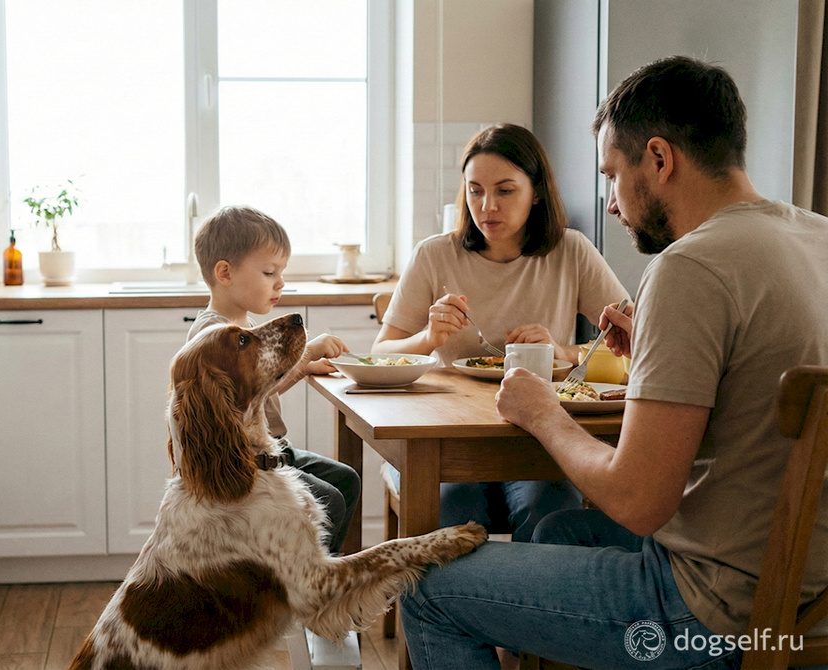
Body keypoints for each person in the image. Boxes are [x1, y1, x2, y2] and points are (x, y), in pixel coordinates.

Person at [399, 55, 828, 669]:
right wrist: (655, 339)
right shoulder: (818, 237)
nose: (610, 203)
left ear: (659, 159)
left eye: (611, 176)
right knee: (557, 531)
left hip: (711, 618)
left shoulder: (690, 267)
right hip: (812, 600)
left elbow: (637, 500)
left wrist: (544, 411)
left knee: (424, 585)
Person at [373, 123, 630, 542]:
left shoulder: (572, 251)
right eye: (475, 190)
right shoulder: (435, 254)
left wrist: (561, 350)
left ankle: (529, 606)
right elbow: (381, 351)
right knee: (452, 510)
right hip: (443, 440)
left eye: (505, 190)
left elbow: (630, 344)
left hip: (535, 439)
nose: (487, 206)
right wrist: (427, 340)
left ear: (537, 191)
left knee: (546, 510)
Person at [187, 204, 361, 555]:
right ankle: (304, 580)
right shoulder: (215, 336)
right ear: (225, 273)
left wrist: (304, 366)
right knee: (329, 499)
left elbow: (260, 387)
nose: (280, 282)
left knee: (346, 479)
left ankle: (313, 570)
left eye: (280, 272)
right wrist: (306, 351)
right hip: (247, 461)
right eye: (269, 272)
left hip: (276, 448)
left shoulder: (243, 325)